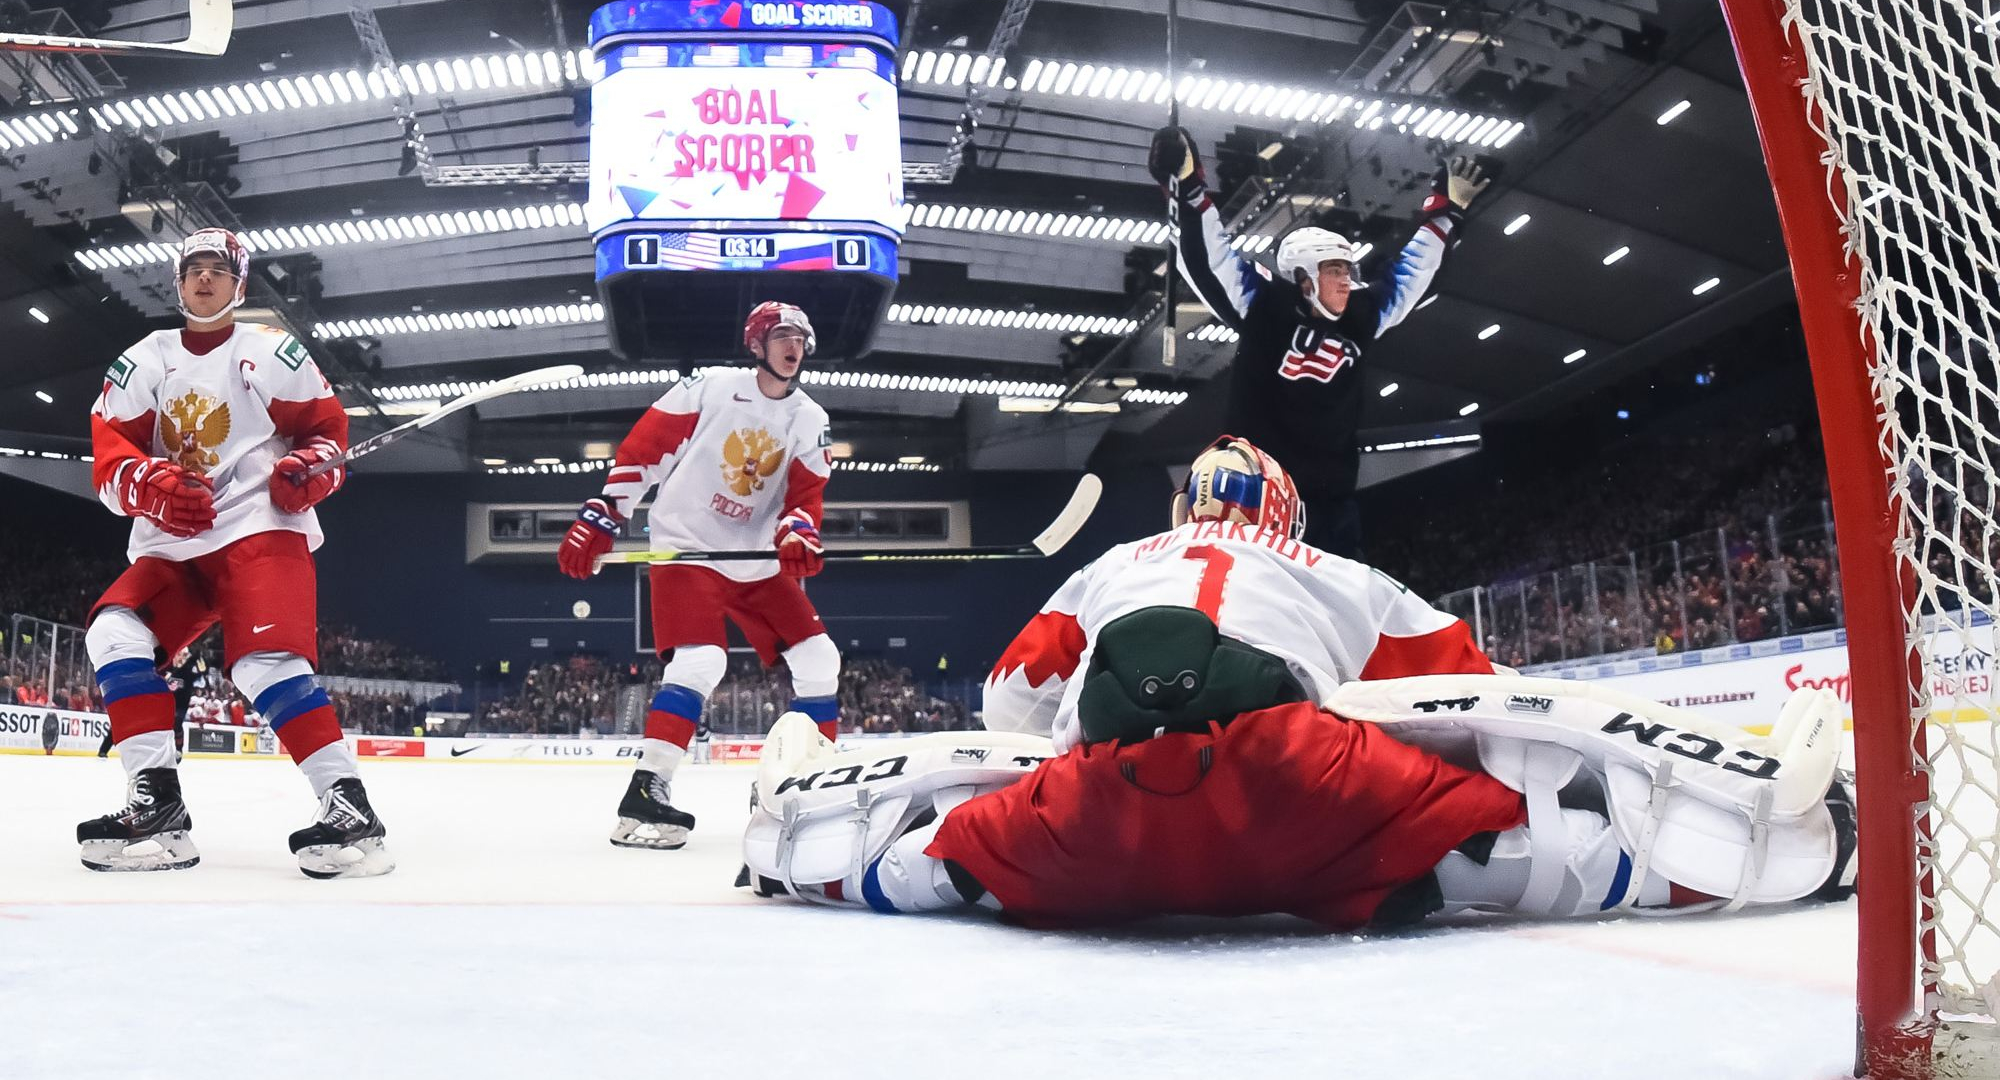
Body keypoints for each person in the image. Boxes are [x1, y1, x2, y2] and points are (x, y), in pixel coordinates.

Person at [739, 436, 1857, 930]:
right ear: (1284, 516)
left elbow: (1004, 712)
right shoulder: (1340, 572)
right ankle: (1794, 850)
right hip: (1302, 781)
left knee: (948, 855)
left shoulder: (1107, 567)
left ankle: (817, 857)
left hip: (1099, 814)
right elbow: (1487, 696)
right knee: (1512, 824)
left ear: (1184, 513)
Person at [78, 227, 391, 879]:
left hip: (259, 527)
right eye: (192, 267)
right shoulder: (145, 360)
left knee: (262, 665)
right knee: (112, 631)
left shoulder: (271, 352)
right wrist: (148, 486)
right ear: (177, 281)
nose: (203, 277)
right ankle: (157, 803)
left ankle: (350, 807)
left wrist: (316, 466)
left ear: (239, 283)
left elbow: (330, 434)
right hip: (175, 545)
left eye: (217, 267)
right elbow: (109, 458)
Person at [559, 300, 840, 850]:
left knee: (819, 658)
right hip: (688, 550)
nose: (794, 348)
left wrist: (798, 532)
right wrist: (607, 511)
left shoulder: (811, 418)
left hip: (753, 561)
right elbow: (646, 448)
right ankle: (648, 788)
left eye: (802, 340)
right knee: (701, 659)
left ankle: (812, 782)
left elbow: (805, 497)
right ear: (757, 344)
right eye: (783, 336)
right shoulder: (709, 387)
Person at [1147, 128, 1491, 559]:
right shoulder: (1265, 305)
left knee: (1341, 611)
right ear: (1303, 278)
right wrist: (1188, 185)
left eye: (1347, 269)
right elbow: (1209, 260)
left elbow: (1410, 279)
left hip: (1332, 500)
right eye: (1334, 270)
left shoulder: (1361, 314)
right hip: (1258, 497)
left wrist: (1445, 213)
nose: (1346, 279)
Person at [96, 645, 205, 759]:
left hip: (176, 703)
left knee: (176, 723)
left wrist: (194, 675)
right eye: (180, 654)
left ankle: (177, 750)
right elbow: (153, 675)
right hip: (153, 698)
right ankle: (104, 749)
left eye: (185, 656)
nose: (182, 658)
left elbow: (190, 684)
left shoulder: (188, 669)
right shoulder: (164, 664)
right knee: (124, 719)